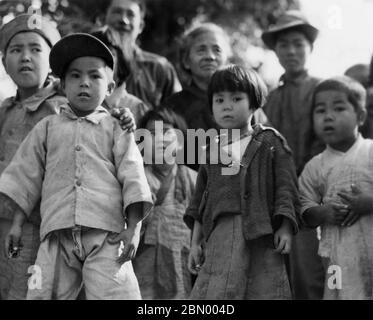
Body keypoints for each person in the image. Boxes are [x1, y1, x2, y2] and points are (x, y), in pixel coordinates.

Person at [0, 33, 153, 300]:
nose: (84, 83)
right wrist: (16, 224)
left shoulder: (117, 128)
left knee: (117, 295)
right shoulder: (46, 128)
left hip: (107, 235)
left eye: (94, 76)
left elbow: (133, 176)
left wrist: (134, 228)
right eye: (75, 76)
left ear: (109, 87)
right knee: (39, 293)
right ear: (62, 85)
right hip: (55, 236)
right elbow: (26, 175)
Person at [184, 65, 299, 299]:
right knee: (219, 294)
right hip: (220, 237)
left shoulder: (270, 141)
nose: (227, 106)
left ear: (254, 103)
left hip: (260, 235)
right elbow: (200, 202)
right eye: (219, 100)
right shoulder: (211, 150)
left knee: (262, 290)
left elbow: (286, 187)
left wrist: (286, 227)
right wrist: (195, 243)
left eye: (236, 98)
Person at [0, 14, 64, 300]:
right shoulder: (3, 110)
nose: (25, 57)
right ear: (4, 63)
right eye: (16, 50)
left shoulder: (62, 109)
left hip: (40, 230)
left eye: (36, 49)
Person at [261, 10, 325, 299]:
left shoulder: (323, 91)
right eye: (284, 44)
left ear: (310, 47)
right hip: (276, 202)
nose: (291, 51)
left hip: (313, 198)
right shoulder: (268, 99)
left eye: (298, 43)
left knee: (311, 275)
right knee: (279, 279)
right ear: (275, 51)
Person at [299, 76, 373, 299]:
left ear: (360, 116)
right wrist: (323, 212)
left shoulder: (371, 151)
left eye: (339, 108)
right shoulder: (315, 166)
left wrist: (368, 202)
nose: (328, 116)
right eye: (320, 111)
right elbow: (302, 206)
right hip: (337, 256)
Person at [164, 23, 267, 170]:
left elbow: (267, 150)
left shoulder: (248, 103)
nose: (210, 57)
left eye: (217, 50)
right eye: (201, 50)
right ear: (186, 61)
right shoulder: (172, 109)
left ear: (226, 59)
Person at [131, 108, 197, 299]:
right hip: (143, 264)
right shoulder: (135, 179)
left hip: (180, 262)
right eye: (152, 133)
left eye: (167, 131)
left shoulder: (194, 179)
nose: (160, 138)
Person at [104, 0, 181, 109]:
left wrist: (154, 126)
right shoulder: (83, 61)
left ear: (140, 26)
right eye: (117, 12)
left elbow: (176, 115)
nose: (123, 20)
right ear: (103, 20)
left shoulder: (160, 67)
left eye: (130, 15)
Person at [91, 28, 149, 126]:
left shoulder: (136, 107)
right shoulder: (74, 100)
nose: (98, 61)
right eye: (93, 54)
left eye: (108, 53)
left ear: (122, 60)